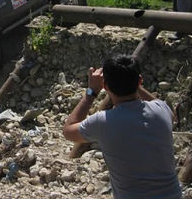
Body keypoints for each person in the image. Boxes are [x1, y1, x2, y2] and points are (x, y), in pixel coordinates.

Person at [63, 55, 181, 199]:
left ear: (105, 86)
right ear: (140, 81)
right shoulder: (161, 110)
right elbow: (167, 111)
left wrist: (91, 91)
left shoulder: (103, 121)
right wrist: (133, 82)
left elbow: (68, 131)